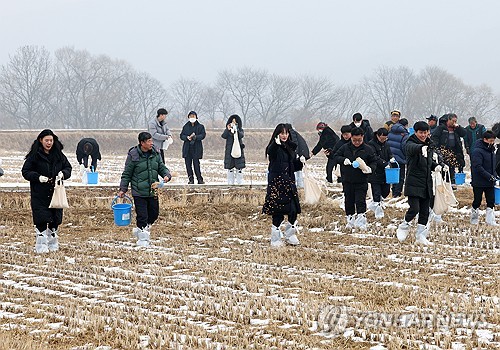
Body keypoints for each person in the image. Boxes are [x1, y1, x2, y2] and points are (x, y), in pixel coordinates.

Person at [21, 129, 72, 253]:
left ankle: (53, 243)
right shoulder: (34, 156)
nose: (49, 143)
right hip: (40, 193)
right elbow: (26, 172)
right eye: (46, 140)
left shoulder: (59, 155)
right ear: (41, 140)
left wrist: (63, 174)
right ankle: (41, 244)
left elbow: (68, 168)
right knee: (42, 218)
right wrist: (38, 177)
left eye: (51, 140)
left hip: (56, 192)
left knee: (55, 219)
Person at [118, 132, 171, 246]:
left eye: (152, 141)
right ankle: (142, 239)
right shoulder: (134, 155)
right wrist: (123, 189)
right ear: (142, 143)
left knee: (154, 213)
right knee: (142, 215)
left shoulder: (156, 153)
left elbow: (161, 167)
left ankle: (142, 230)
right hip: (139, 191)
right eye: (149, 141)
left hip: (153, 190)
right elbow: (127, 173)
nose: (151, 143)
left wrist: (167, 175)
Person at [396, 121, 441, 246]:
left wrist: (436, 166)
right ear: (415, 132)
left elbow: (427, 162)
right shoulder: (410, 143)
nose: (423, 135)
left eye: (425, 132)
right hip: (414, 181)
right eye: (421, 133)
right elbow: (411, 149)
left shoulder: (430, 145)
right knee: (414, 208)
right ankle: (404, 225)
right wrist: (421, 148)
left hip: (426, 182)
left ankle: (420, 236)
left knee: (425, 211)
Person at [262, 124, 301, 247]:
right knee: (278, 211)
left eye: (286, 133)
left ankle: (290, 234)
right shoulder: (274, 148)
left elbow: (294, 166)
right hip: (277, 183)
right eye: (282, 133)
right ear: (277, 134)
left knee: (293, 210)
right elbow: (271, 152)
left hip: (289, 182)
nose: (284, 136)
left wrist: (301, 162)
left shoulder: (291, 148)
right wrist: (275, 144)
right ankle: (275, 238)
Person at [334, 127, 377, 230]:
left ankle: (361, 220)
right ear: (351, 138)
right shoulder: (345, 148)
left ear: (363, 137)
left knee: (360, 200)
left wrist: (370, 169)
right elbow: (335, 156)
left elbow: (374, 161)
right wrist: (343, 160)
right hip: (347, 179)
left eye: (359, 140)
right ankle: (350, 219)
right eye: (354, 140)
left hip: (361, 180)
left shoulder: (367, 149)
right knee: (349, 200)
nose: (357, 142)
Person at [470, 131, 498, 226]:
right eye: (490, 141)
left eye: (493, 141)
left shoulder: (491, 151)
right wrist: (488, 176)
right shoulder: (477, 151)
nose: (492, 143)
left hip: (490, 182)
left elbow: (493, 166)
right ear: (485, 139)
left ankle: (490, 220)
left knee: (491, 201)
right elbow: (477, 166)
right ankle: (474, 219)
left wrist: (494, 175)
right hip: (479, 181)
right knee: (477, 200)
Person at [431, 113, 466, 188]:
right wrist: (436, 148)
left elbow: (464, 133)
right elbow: (435, 138)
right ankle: (443, 182)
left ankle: (452, 182)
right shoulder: (441, 128)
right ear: (448, 120)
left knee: (452, 166)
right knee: (444, 166)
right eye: (453, 121)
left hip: (454, 150)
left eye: (455, 121)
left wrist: (458, 127)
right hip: (443, 150)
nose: (454, 123)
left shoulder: (456, 129)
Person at [367, 128, 396, 218]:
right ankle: (378, 212)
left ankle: (375, 204)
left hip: (385, 173)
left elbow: (389, 153)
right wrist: (383, 163)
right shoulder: (371, 145)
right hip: (375, 172)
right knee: (376, 193)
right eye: (382, 138)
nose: (383, 140)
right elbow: (374, 157)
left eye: (385, 138)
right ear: (377, 136)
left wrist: (391, 158)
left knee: (386, 191)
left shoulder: (386, 144)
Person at [180, 111, 206, 184]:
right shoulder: (185, 126)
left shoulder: (200, 126)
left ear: (196, 117)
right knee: (188, 165)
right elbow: (181, 135)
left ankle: (199, 179)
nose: (192, 118)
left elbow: (203, 135)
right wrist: (186, 137)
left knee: (196, 165)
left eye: (193, 116)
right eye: (191, 116)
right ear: (188, 117)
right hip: (187, 148)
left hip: (196, 148)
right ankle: (190, 179)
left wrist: (196, 137)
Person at [387, 117, 410, 197]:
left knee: (394, 175)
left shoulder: (390, 131)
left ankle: (393, 191)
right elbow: (404, 147)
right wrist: (406, 157)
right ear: (406, 125)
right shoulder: (405, 134)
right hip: (400, 158)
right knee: (401, 177)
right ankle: (397, 193)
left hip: (391, 157)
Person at [222, 114, 245, 185]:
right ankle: (230, 183)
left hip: (238, 150)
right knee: (230, 168)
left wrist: (236, 130)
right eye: (232, 122)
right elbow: (223, 136)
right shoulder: (228, 131)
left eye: (235, 122)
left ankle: (239, 183)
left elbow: (241, 135)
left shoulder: (240, 130)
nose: (233, 123)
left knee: (239, 168)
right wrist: (228, 129)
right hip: (229, 151)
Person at [285, 123, 310, 188]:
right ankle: (299, 185)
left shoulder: (292, 133)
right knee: (298, 170)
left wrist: (295, 154)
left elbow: (295, 143)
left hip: (300, 154)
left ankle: (297, 185)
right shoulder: (294, 132)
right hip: (302, 154)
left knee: (296, 169)